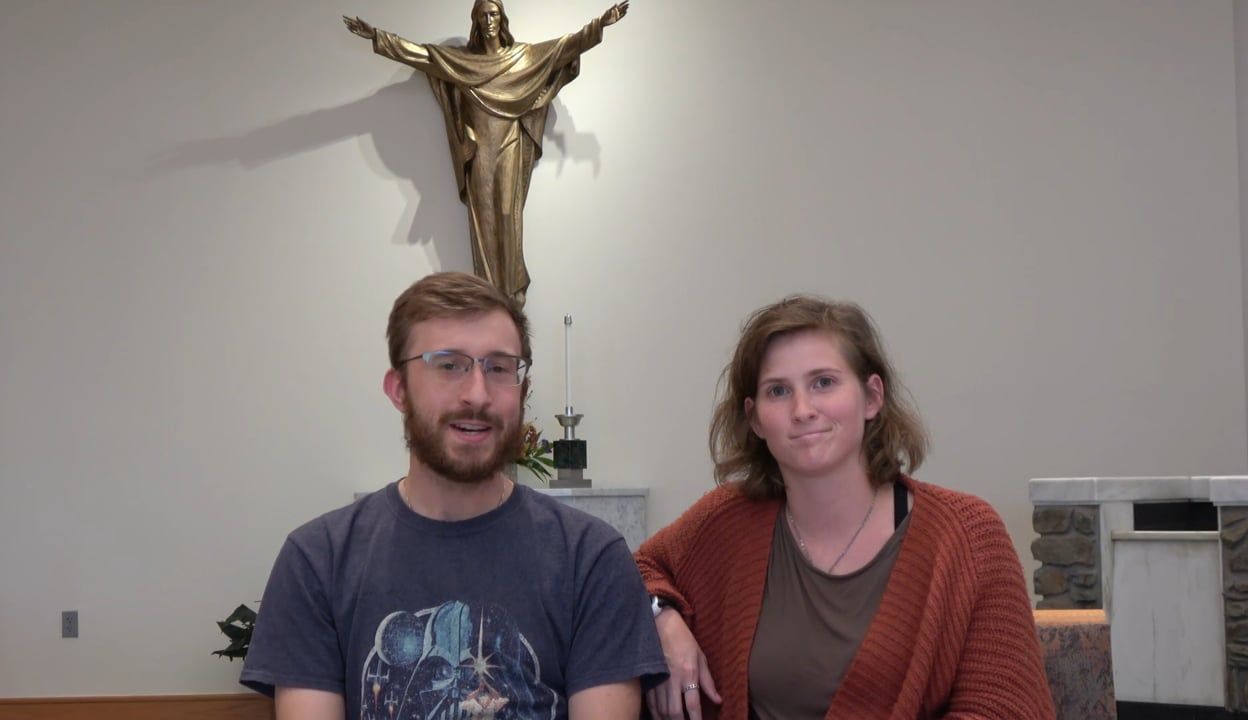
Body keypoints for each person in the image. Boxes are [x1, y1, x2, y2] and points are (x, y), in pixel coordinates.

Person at [241, 272, 666, 720]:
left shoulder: (590, 557)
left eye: (499, 367)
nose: (477, 394)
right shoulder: (318, 561)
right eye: (448, 364)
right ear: (398, 389)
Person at [635, 296, 1054, 719]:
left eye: (823, 382)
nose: (802, 410)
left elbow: (1007, 708)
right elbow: (634, 569)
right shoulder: (725, 520)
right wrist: (663, 620)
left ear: (871, 397)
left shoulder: (969, 537)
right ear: (757, 419)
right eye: (778, 391)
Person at [343, 1, 630, 307]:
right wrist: (377, 36)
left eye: (493, 14)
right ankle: (489, 295)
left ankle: (512, 291)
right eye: (483, 15)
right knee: (483, 219)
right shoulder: (463, 62)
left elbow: (565, 47)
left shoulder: (522, 58)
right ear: (476, 21)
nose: (489, 20)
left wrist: (600, 24)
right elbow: (422, 55)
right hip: (480, 149)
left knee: (507, 214)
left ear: (502, 18)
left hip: (509, 145)